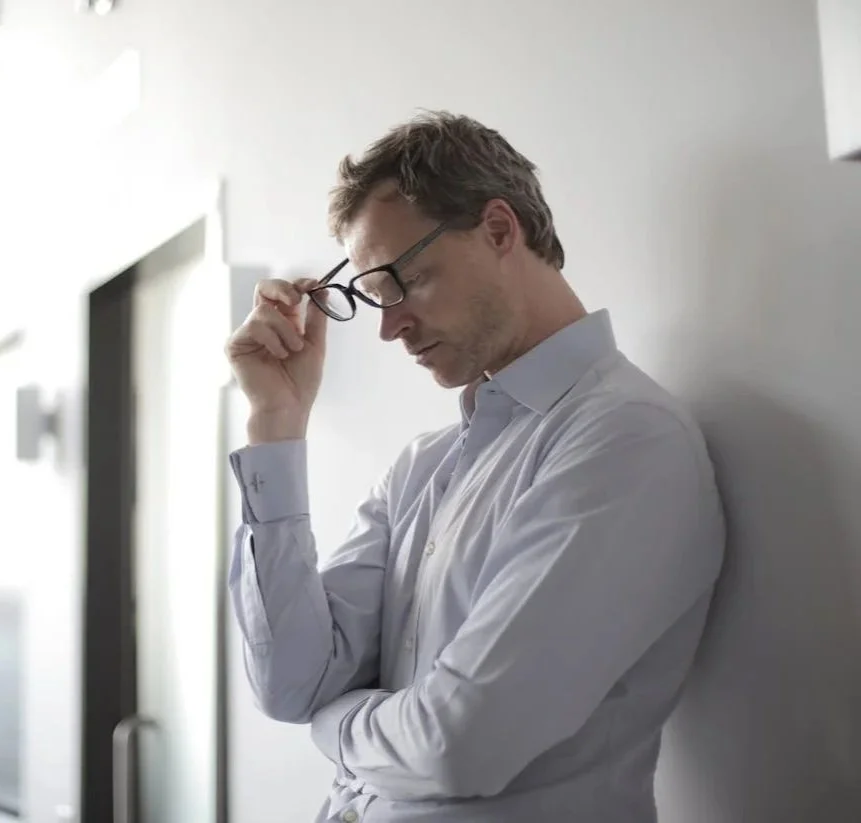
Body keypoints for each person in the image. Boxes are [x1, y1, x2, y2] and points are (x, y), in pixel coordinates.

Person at [223, 111, 724, 823]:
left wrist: (334, 726)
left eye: (403, 281)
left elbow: (457, 744)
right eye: (372, 294)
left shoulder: (626, 438)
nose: (389, 326)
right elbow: (289, 681)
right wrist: (276, 423)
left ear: (497, 229)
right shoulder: (422, 466)